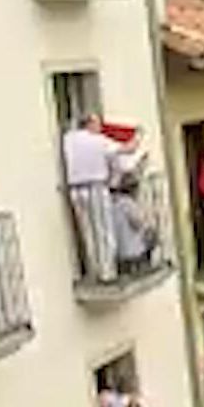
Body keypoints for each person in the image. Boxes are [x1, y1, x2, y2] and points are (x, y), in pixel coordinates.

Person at [62, 114, 137, 283]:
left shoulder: (69, 139)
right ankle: (108, 273)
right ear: (90, 124)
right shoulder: (99, 141)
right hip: (95, 187)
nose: (100, 127)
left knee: (87, 231)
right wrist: (138, 135)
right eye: (97, 124)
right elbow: (128, 149)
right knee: (103, 231)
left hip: (76, 189)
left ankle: (94, 271)